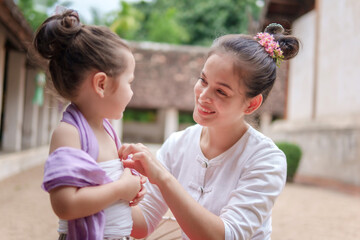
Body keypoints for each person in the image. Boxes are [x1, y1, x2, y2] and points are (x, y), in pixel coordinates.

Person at [119, 23, 300, 240]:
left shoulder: (266, 159)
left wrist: (163, 178)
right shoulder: (178, 144)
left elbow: (226, 236)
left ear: (251, 105)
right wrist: (105, 184)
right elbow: (142, 224)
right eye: (203, 80)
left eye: (221, 91)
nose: (203, 95)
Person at [35, 9, 146, 240]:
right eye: (130, 82)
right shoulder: (69, 134)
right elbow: (66, 205)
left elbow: (107, 191)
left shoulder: (108, 130)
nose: (132, 92)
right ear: (102, 84)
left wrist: (131, 188)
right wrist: (120, 189)